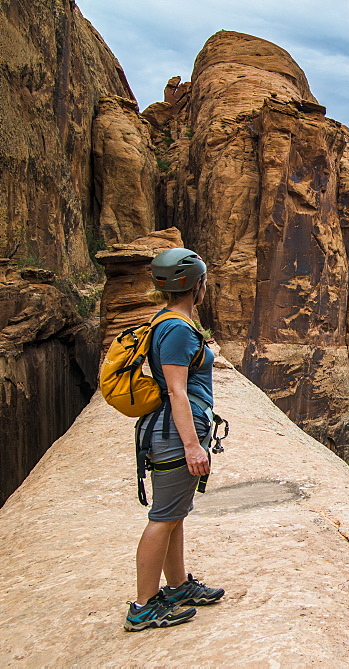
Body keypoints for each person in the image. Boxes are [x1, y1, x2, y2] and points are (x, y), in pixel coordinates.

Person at [124, 248, 225, 631]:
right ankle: (143, 607)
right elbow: (177, 391)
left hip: (171, 429)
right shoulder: (178, 329)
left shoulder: (168, 321)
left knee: (175, 513)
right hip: (173, 432)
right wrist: (192, 445)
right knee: (163, 518)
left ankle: (178, 586)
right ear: (196, 287)